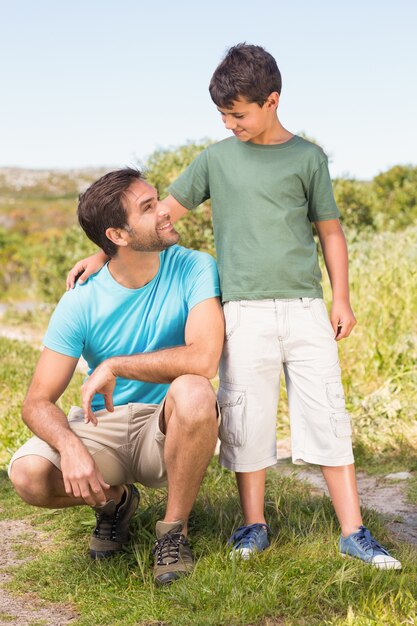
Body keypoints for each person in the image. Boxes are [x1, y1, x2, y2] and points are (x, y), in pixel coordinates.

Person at [66, 45, 401, 569]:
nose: (229, 123)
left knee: (328, 415)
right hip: (242, 313)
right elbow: (161, 215)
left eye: (238, 113)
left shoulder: (308, 158)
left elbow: (329, 232)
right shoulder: (215, 159)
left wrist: (341, 297)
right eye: (222, 114)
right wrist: (102, 250)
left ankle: (354, 530)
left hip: (306, 308)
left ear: (272, 101)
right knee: (247, 419)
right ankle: (253, 524)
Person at [9, 167, 225, 585]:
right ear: (119, 236)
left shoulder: (196, 267)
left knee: (196, 391)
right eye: (149, 208)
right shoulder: (80, 301)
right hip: (102, 426)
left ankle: (173, 531)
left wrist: (115, 364)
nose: (165, 211)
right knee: (28, 474)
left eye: (157, 199)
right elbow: (36, 401)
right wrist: (69, 446)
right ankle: (115, 504)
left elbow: (205, 359)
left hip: (166, 425)